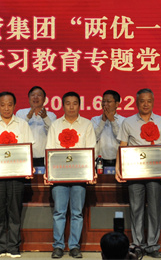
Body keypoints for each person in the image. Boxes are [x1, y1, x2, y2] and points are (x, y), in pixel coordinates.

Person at [116, 88, 161, 259]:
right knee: (136, 209)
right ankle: (138, 245)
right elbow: (122, 146)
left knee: (154, 209)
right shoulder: (127, 122)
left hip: (156, 172)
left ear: (153, 102)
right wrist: (119, 168)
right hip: (134, 172)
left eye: (149, 101)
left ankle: (152, 246)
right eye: (142, 101)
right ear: (136, 103)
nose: (146, 104)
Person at [0, 91, 35, 258]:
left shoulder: (22, 124)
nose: (6, 108)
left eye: (9, 105)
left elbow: (28, 149)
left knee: (15, 211)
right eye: (3, 105)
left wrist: (29, 167)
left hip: (17, 175)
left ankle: (13, 246)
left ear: (14, 106)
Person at [47, 91, 97, 259]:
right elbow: (49, 150)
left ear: (79, 105)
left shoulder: (87, 125)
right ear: (63, 105)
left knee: (77, 213)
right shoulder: (55, 125)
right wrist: (49, 172)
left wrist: (91, 172)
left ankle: (74, 246)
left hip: (79, 175)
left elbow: (92, 149)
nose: (71, 106)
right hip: (59, 175)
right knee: (59, 212)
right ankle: (58, 246)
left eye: (75, 103)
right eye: (68, 103)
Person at [16, 86, 56, 167]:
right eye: (33, 95)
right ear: (29, 98)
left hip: (44, 157)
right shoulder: (20, 113)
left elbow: (53, 134)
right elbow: (17, 133)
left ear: (44, 99)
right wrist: (28, 118)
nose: (36, 97)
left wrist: (45, 118)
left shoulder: (51, 116)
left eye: (39, 95)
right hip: (25, 156)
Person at [90, 90, 125, 167]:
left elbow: (122, 140)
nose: (105, 104)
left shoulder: (124, 121)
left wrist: (112, 121)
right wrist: (102, 121)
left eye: (108, 101)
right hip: (100, 161)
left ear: (117, 104)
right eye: (103, 101)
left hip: (118, 161)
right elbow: (92, 139)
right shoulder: (94, 120)